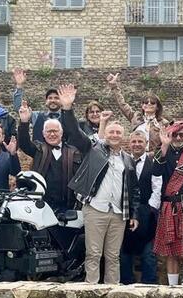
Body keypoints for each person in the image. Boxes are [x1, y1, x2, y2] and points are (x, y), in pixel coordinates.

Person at [60, 84, 141, 285]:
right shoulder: (94, 150)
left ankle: (112, 291)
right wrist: (67, 109)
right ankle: (92, 289)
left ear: (123, 137)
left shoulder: (128, 160)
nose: (114, 135)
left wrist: (134, 214)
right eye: (111, 132)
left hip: (118, 212)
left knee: (113, 256)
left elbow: (134, 191)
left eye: (118, 133)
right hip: (96, 209)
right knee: (94, 253)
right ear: (106, 134)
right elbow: (74, 133)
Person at [152, 121, 183, 286]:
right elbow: (156, 171)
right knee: (171, 251)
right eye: (175, 134)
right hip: (168, 207)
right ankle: (173, 287)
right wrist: (164, 146)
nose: (179, 138)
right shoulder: (164, 152)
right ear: (170, 135)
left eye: (182, 135)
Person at [17, 101, 81, 214]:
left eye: (55, 131)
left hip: (67, 206)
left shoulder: (73, 151)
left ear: (61, 133)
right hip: (41, 204)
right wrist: (24, 121)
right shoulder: (38, 149)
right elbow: (23, 143)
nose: (52, 134)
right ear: (43, 134)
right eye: (49, 131)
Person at [121, 130, 162, 284]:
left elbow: (157, 187)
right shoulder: (122, 161)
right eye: (134, 142)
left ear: (146, 144)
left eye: (140, 142)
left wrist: (149, 210)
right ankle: (126, 284)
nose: (137, 144)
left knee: (149, 253)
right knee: (124, 251)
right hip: (126, 210)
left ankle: (149, 286)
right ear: (129, 143)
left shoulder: (154, 163)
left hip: (148, 212)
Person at [106, 73, 169, 148]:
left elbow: (167, 142)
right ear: (142, 105)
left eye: (152, 103)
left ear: (157, 107)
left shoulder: (163, 123)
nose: (148, 104)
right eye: (146, 102)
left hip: (154, 156)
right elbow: (122, 104)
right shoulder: (135, 117)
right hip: (136, 154)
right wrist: (114, 87)